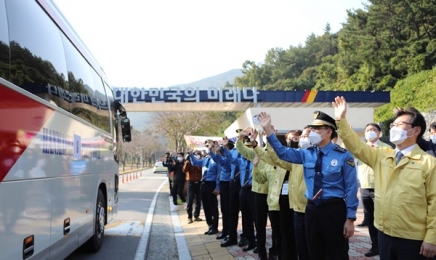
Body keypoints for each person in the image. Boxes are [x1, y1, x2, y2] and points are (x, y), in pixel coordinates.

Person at [333, 96, 436, 259]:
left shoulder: (429, 163)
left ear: (416, 130)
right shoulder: (382, 155)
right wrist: (341, 120)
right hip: (385, 234)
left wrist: (432, 238)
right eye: (393, 124)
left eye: (399, 124)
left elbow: (435, 203)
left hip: (413, 239)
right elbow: (357, 146)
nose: (394, 127)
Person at [258, 110, 359, 260]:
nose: (312, 132)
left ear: (328, 132)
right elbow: (283, 153)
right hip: (312, 208)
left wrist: (350, 218)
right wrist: (267, 130)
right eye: (311, 128)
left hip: (334, 209)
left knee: (336, 252)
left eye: (316, 129)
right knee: (313, 250)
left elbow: (351, 188)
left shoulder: (343, 155)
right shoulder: (307, 153)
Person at [252, 126, 303, 260]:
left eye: (296, 138)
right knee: (283, 237)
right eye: (290, 139)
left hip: (299, 203)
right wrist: (259, 143)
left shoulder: (303, 156)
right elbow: (270, 157)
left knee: (299, 238)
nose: (293, 141)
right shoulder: (285, 157)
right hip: (280, 202)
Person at [236, 127, 277, 260]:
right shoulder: (256, 152)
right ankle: (261, 253)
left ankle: (274, 251)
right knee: (260, 226)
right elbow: (242, 149)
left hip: (273, 193)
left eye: (269, 133)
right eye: (264, 133)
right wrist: (240, 138)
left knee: (276, 226)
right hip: (258, 193)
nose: (266, 136)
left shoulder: (278, 151)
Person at [355, 123, 391, 257]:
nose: (370, 132)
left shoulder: (386, 149)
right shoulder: (362, 149)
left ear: (379, 132)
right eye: (368, 130)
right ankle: (374, 246)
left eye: (373, 130)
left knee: (381, 218)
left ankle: (384, 247)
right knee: (370, 219)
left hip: (380, 188)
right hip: (364, 188)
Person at [222, 136, 256, 252]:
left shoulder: (255, 157)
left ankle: (251, 239)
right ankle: (235, 237)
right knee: (235, 212)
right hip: (238, 186)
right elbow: (229, 159)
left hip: (252, 189)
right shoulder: (237, 156)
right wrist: (224, 148)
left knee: (252, 216)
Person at [190, 141, 221, 235]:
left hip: (211, 184)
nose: (208, 148)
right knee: (206, 206)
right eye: (207, 146)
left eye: (210, 147)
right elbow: (195, 163)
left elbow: (219, 174)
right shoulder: (206, 159)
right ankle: (210, 225)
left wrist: (217, 186)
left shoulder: (217, 159)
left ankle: (215, 227)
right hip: (203, 183)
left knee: (213, 207)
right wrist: (191, 154)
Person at [209, 140, 233, 240]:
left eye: (224, 146)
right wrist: (211, 149)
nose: (222, 147)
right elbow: (216, 159)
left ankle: (229, 231)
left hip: (228, 184)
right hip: (223, 183)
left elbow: (223, 163)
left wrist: (218, 152)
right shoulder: (223, 156)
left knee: (228, 209)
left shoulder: (231, 156)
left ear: (228, 147)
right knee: (224, 209)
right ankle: (225, 230)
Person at [182, 151, 203, 223]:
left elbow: (201, 170)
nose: (197, 156)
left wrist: (197, 162)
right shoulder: (189, 162)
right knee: (190, 200)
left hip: (199, 183)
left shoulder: (201, 162)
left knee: (198, 200)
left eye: (198, 154)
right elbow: (184, 170)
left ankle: (196, 215)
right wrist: (188, 161)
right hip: (191, 183)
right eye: (195, 155)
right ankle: (189, 217)